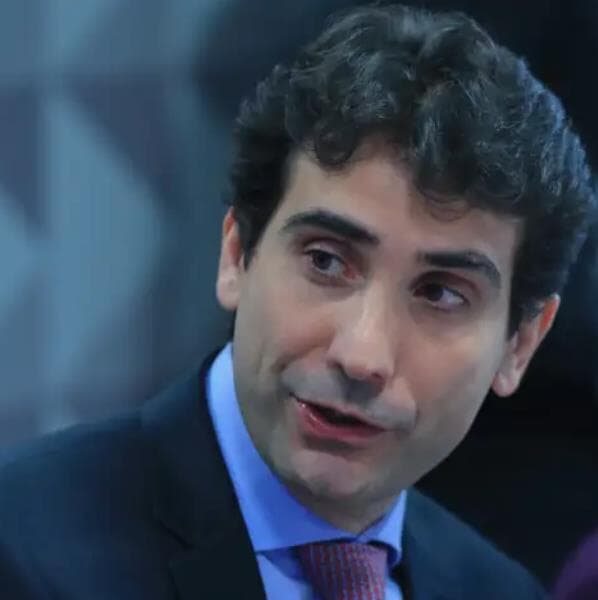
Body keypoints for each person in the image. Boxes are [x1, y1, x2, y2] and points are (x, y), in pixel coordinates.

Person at [0, 4, 594, 599]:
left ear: (520, 345)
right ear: (237, 253)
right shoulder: (24, 552)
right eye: (326, 262)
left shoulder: (504, 592)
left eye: (440, 294)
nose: (361, 356)